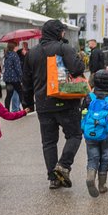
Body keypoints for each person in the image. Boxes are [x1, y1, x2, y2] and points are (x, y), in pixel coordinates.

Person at [22, 19, 87, 189]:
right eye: (62, 31)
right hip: (66, 101)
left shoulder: (32, 53)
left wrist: (28, 103)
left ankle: (53, 178)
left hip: (43, 103)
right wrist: (79, 57)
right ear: (58, 32)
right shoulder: (63, 48)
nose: (64, 34)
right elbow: (77, 69)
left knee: (48, 142)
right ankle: (64, 165)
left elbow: (26, 81)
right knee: (75, 135)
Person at [80, 70, 108, 197]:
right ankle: (102, 185)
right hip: (106, 133)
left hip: (90, 132)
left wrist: (84, 129)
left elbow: (82, 113)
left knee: (92, 157)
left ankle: (90, 176)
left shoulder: (89, 97)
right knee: (105, 157)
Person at [2, 41, 23, 112]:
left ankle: (6, 111)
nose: (18, 47)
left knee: (9, 95)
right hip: (14, 79)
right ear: (14, 47)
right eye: (17, 45)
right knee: (21, 93)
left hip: (7, 79)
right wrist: (21, 77)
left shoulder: (6, 55)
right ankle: (26, 108)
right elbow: (18, 68)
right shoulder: (15, 55)